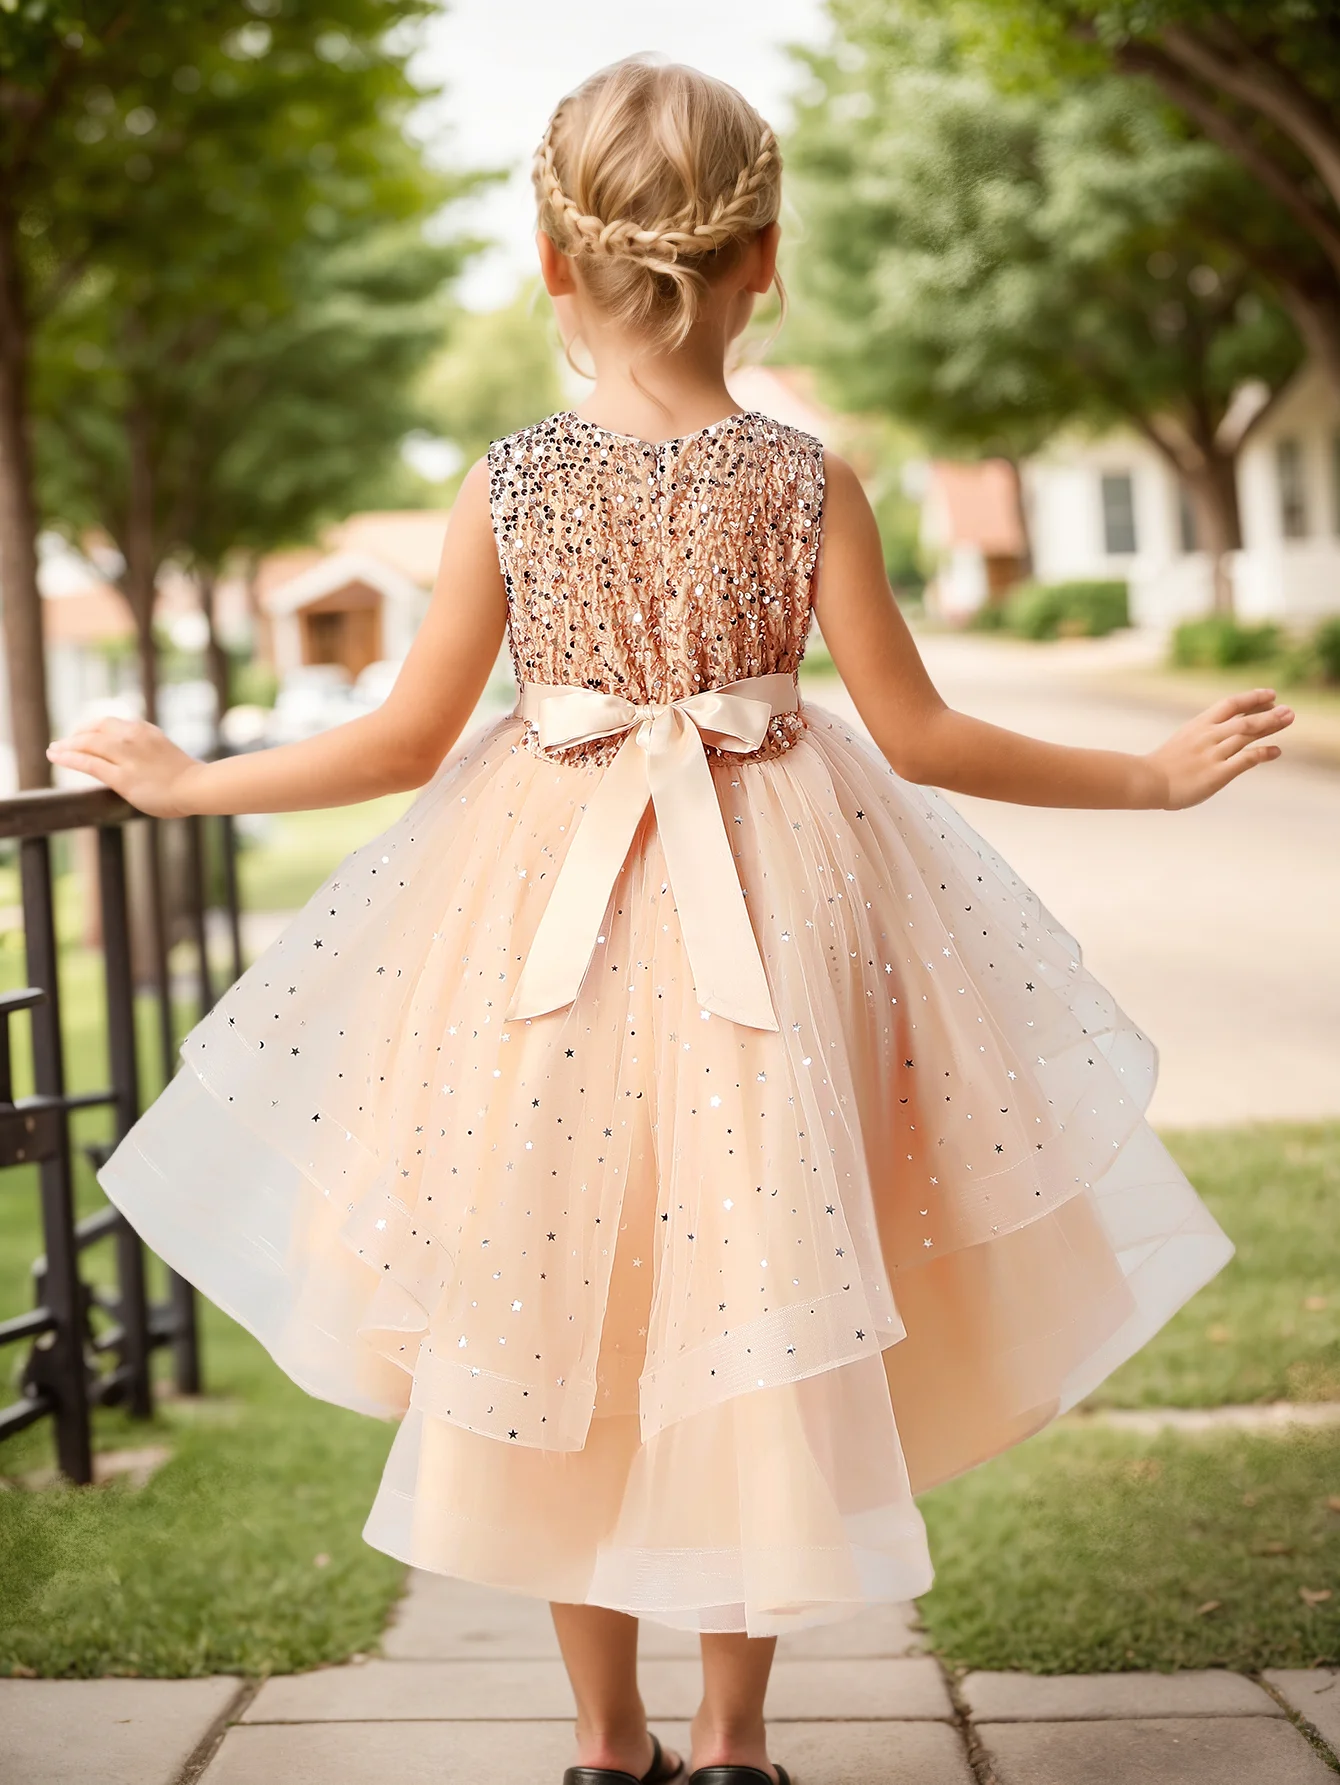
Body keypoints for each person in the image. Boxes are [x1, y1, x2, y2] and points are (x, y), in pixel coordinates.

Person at [50, 57, 1292, 1785]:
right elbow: (922, 736)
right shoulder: (809, 479)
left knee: (563, 1308)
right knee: (751, 1296)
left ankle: (603, 1744)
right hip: (776, 917)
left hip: (543, 928)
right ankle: (731, 1748)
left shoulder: (512, 483)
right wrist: (1143, 779)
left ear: (553, 264)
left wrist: (194, 784)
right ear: (763, 255)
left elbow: (403, 744)